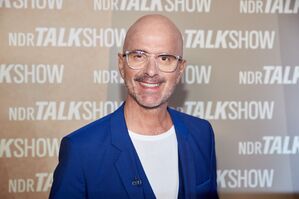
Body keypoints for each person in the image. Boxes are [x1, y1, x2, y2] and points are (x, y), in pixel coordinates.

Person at [49, 14, 218, 199]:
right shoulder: (82, 150)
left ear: (180, 70)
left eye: (165, 58)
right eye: (139, 56)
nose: (151, 71)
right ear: (121, 64)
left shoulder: (202, 134)